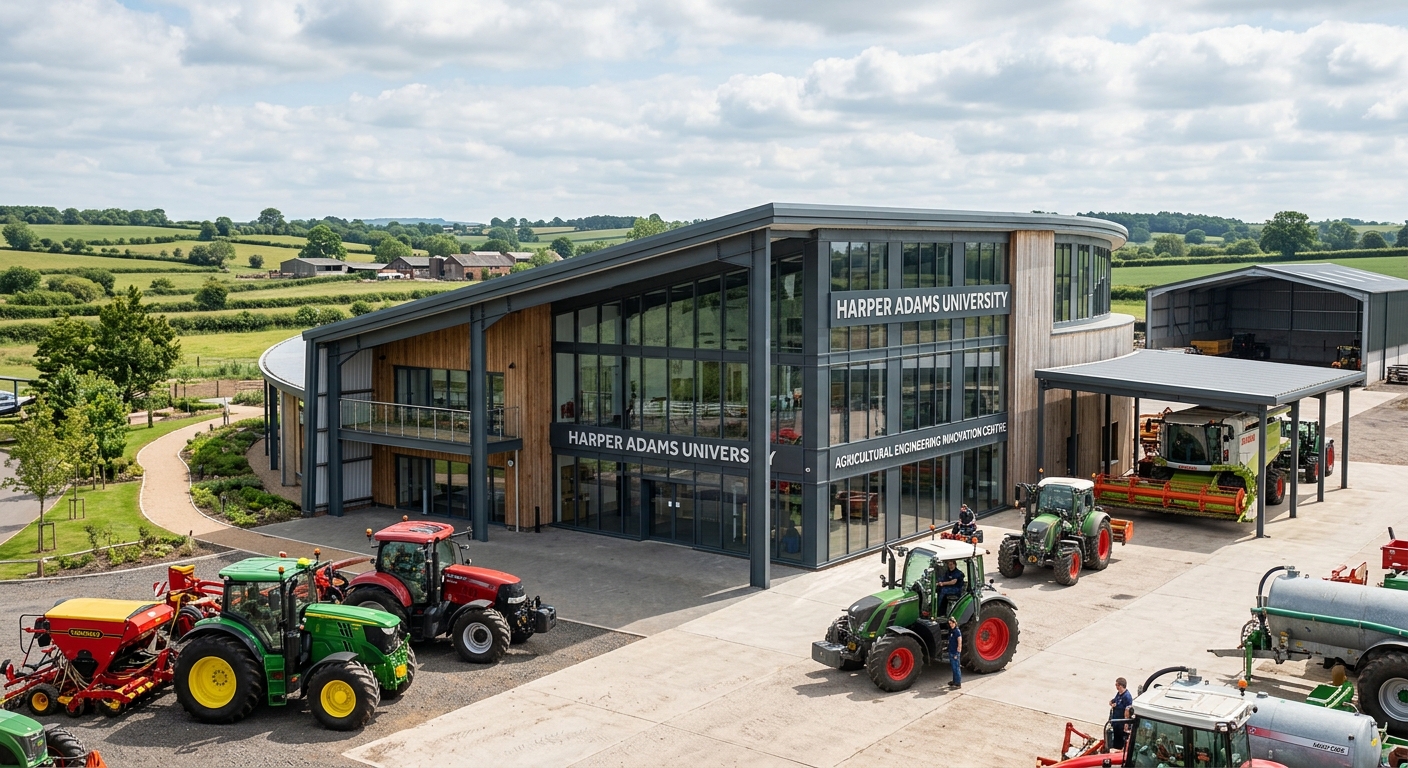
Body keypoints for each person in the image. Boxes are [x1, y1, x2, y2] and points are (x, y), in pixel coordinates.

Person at [1109, 677, 1134, 751]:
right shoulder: (1119, 693)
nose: (1116, 686)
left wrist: (1126, 724)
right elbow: (1116, 699)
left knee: (1120, 740)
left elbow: (1128, 710)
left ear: (1120, 686)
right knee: (1116, 737)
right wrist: (1112, 702)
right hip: (1115, 720)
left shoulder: (1127, 696)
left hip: (1121, 722)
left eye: (1116, 685)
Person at [947, 616, 962, 688]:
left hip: (955, 653)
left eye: (952, 623)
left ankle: (958, 683)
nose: (951, 625)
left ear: (955, 623)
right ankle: (954, 681)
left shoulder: (957, 631)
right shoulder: (951, 631)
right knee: (953, 668)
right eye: (950, 623)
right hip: (951, 651)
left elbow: (959, 642)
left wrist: (957, 653)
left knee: (956, 668)